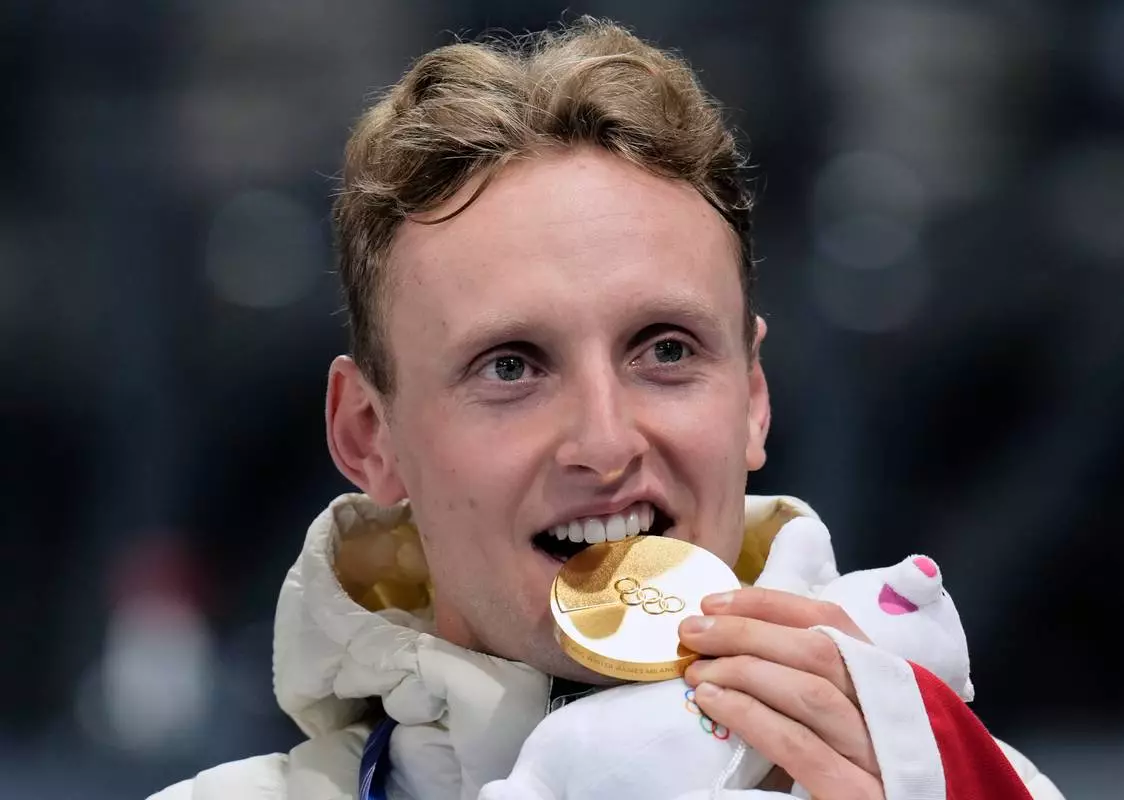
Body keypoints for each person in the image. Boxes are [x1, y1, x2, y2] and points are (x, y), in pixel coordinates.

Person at [150, 17, 1063, 800]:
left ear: (752, 399)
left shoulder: (965, 783)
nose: (604, 440)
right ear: (368, 437)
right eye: (511, 367)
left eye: (666, 351)